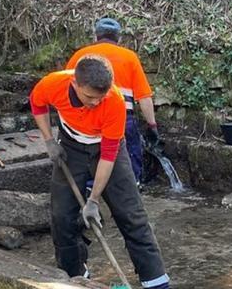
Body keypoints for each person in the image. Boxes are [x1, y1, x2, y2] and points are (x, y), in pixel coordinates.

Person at [29, 55, 180, 289]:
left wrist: (93, 200)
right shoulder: (52, 85)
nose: (96, 101)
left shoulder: (114, 101)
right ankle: (75, 277)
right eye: (90, 97)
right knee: (62, 217)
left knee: (131, 215)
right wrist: (48, 141)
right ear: (75, 84)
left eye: (101, 96)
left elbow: (108, 158)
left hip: (108, 149)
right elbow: (37, 104)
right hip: (70, 146)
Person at [65, 18, 161, 184]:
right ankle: (132, 185)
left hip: (89, 115)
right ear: (119, 38)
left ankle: (90, 187)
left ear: (96, 36)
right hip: (123, 117)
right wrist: (152, 125)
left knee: (91, 154)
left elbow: (67, 89)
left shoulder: (80, 56)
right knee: (129, 155)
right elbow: (144, 97)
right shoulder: (129, 57)